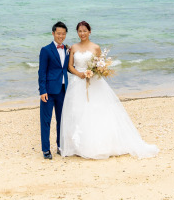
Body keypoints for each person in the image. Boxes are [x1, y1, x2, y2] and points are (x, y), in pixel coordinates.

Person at [59, 21, 158, 159]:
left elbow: (101, 65)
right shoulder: (74, 48)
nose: (82, 34)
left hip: (94, 83)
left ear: (89, 32)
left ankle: (97, 144)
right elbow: (70, 66)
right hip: (77, 82)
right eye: (80, 31)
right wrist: (79, 74)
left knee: (95, 111)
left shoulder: (96, 47)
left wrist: (93, 72)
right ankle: (78, 145)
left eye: (84, 31)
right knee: (77, 111)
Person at [38, 21, 69, 159]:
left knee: (61, 120)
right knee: (46, 120)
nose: (60, 36)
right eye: (58, 33)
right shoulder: (45, 50)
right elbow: (41, 72)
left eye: (63, 34)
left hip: (63, 90)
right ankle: (45, 149)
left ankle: (60, 146)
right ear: (53, 33)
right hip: (49, 91)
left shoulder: (67, 49)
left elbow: (69, 68)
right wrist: (42, 90)